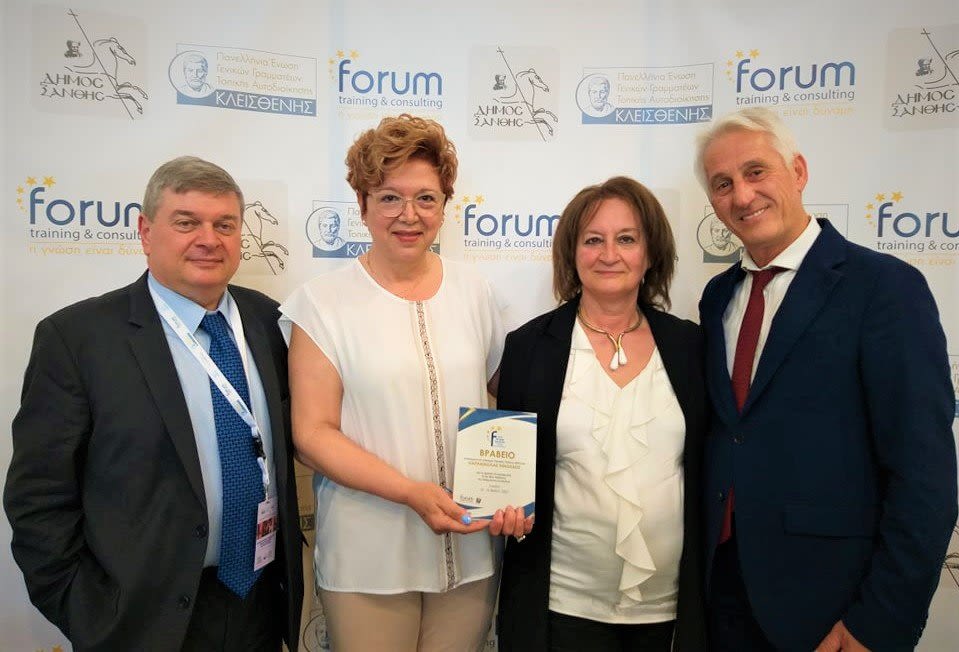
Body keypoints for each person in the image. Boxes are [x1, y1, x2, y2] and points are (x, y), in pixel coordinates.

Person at [4, 156, 303, 651]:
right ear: (145, 231)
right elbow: (39, 495)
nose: (208, 239)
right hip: (141, 617)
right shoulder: (78, 338)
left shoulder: (271, 321)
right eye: (186, 223)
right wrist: (87, 611)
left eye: (224, 224)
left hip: (259, 605)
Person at [695, 107, 956, 651]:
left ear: (799, 171)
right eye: (723, 184)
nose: (742, 195)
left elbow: (924, 473)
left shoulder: (884, 288)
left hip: (832, 608)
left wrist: (879, 622)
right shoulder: (718, 296)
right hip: (723, 597)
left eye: (756, 172)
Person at [281, 114, 528, 651]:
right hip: (369, 557)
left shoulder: (476, 292)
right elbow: (313, 434)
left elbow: (510, 397)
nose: (408, 215)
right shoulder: (321, 304)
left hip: (470, 548)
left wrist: (516, 489)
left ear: (444, 206)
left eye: (426, 199)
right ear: (362, 203)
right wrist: (411, 493)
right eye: (390, 198)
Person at [496, 176, 707, 651]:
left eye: (626, 239)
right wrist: (501, 505)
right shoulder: (529, 347)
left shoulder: (691, 346)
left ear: (650, 254)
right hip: (562, 605)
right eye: (593, 240)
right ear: (572, 255)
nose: (609, 254)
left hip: (669, 609)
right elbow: (508, 471)